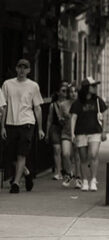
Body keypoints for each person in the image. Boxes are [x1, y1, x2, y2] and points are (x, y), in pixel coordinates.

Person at [0, 59, 44, 193]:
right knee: (10, 155)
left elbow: (37, 108)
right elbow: (4, 106)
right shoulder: (7, 84)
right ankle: (26, 172)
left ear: (29, 70)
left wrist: (40, 128)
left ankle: (16, 183)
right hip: (11, 123)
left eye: (25, 68)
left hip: (27, 123)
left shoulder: (33, 86)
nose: (22, 70)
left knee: (21, 154)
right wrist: (2, 126)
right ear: (16, 68)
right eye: (20, 67)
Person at [69, 78, 108, 192]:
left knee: (93, 154)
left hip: (95, 131)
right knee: (83, 157)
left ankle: (93, 180)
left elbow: (104, 116)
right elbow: (73, 118)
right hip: (81, 132)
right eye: (93, 86)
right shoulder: (78, 103)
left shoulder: (98, 101)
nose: (95, 88)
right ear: (87, 87)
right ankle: (85, 180)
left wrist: (104, 131)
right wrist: (72, 133)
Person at [47, 82, 74, 185]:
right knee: (57, 149)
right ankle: (58, 171)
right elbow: (49, 119)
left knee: (67, 153)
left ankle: (67, 171)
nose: (64, 93)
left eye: (66, 91)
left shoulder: (71, 104)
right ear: (58, 92)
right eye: (62, 90)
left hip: (66, 129)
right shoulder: (53, 105)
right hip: (56, 128)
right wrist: (46, 132)